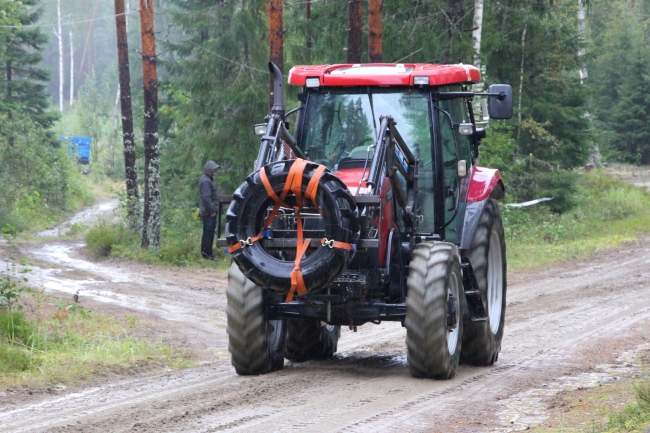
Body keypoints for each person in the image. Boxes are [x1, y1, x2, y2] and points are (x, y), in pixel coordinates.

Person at [199, 160, 220, 260]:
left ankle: (206, 252)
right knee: (208, 232)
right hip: (208, 212)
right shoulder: (206, 181)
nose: (215, 172)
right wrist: (212, 210)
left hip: (208, 210)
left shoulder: (208, 179)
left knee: (209, 232)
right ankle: (207, 253)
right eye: (213, 170)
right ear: (209, 170)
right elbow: (206, 198)